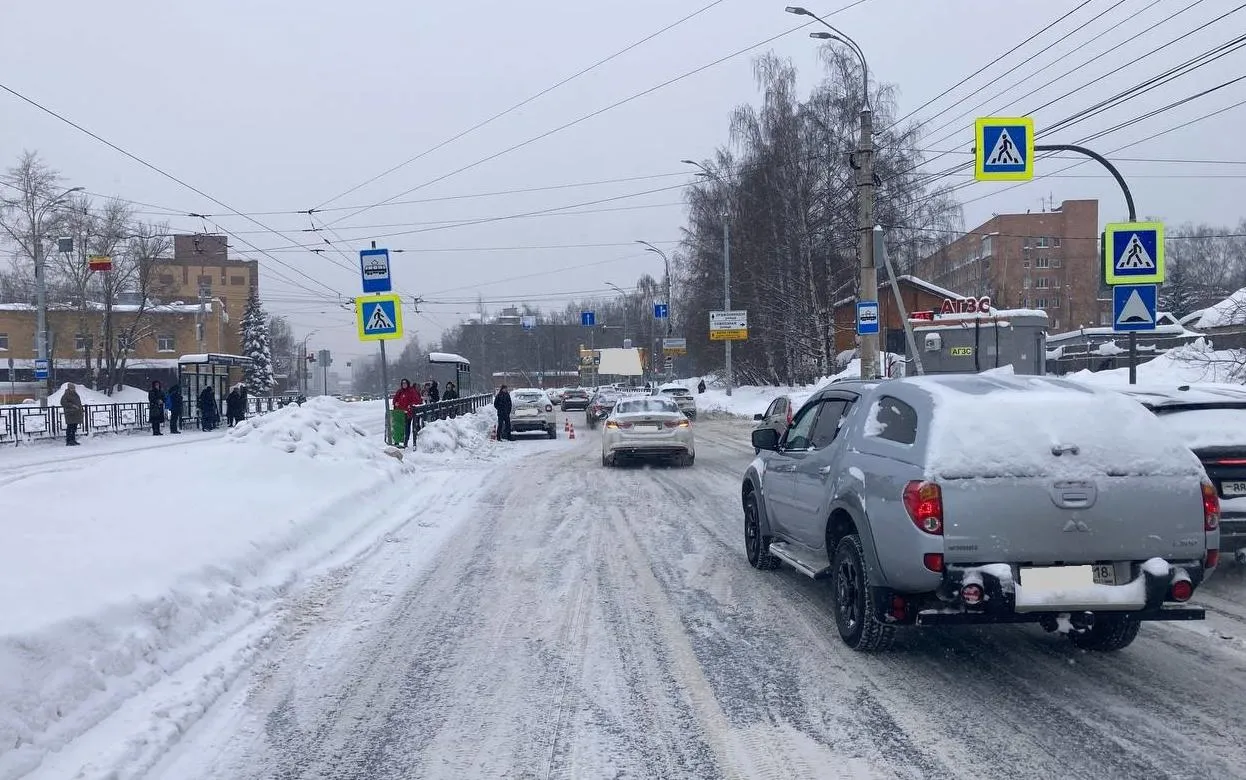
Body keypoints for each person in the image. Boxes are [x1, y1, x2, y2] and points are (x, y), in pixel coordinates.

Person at [392, 378, 423, 447]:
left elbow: (416, 401)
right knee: (398, 427)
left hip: (408, 413)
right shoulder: (399, 392)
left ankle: (405, 442)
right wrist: (395, 403)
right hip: (399, 413)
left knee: (406, 427)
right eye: (403, 383)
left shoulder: (411, 391)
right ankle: (397, 441)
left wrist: (410, 406)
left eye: (405, 383)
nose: (404, 385)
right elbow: (395, 399)